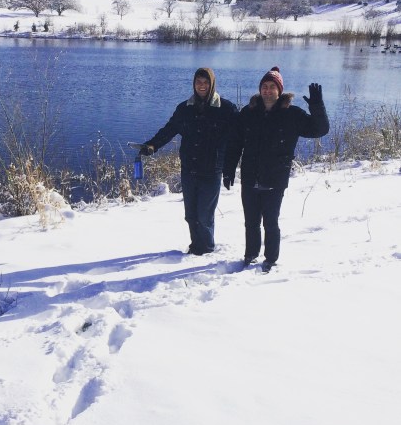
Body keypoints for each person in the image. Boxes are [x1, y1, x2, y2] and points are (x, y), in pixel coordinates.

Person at [223, 66, 330, 272]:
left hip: (275, 178)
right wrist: (228, 169)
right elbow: (235, 143)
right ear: (260, 89)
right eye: (264, 86)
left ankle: (270, 259)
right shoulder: (248, 112)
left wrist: (317, 106)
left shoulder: (291, 114)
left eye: (272, 87)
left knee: (270, 221)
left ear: (279, 90)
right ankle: (250, 255)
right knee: (251, 221)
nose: (268, 90)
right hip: (250, 176)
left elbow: (320, 129)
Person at [137, 67, 238, 255]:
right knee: (191, 215)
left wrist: (230, 168)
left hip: (211, 170)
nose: (202, 86)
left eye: (206, 82)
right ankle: (195, 248)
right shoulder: (184, 109)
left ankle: (205, 251)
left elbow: (238, 140)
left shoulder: (227, 109)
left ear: (212, 84)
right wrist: (152, 145)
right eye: (198, 82)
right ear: (194, 84)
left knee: (204, 216)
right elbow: (169, 130)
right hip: (189, 169)